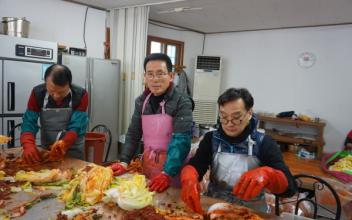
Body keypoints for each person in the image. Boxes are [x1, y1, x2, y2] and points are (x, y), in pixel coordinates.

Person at [180, 88, 296, 213]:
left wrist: (269, 175)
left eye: (236, 117)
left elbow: (290, 188)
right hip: (215, 207)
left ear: (249, 113)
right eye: (223, 117)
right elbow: (197, 165)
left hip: (252, 211)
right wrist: (189, 177)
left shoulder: (264, 143)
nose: (229, 123)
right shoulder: (211, 139)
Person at [110, 53, 193, 193]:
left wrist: (167, 173)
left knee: (170, 206)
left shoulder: (182, 101)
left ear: (171, 76)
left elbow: (181, 140)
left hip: (174, 167)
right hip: (149, 165)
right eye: (150, 74)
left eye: (160, 74)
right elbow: (133, 134)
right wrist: (124, 161)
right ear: (145, 77)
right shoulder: (141, 102)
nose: (155, 80)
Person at [21, 64, 89, 163]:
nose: (56, 96)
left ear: (69, 84)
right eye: (52, 92)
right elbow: (29, 121)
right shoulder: (37, 93)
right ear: (45, 83)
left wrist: (63, 144)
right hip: (47, 148)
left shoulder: (80, 94)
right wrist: (28, 144)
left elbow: (76, 125)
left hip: (74, 148)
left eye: (61, 92)